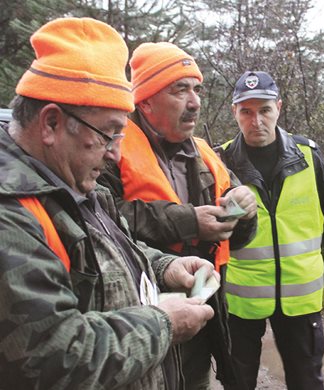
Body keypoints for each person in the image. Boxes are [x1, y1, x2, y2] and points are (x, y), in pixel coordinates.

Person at [0, 17, 215, 389]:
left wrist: (165, 266)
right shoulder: (12, 215)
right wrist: (163, 324)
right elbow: (54, 357)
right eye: (109, 134)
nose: (117, 154)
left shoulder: (75, 184)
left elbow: (112, 251)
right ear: (51, 123)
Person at [98, 42, 257, 389]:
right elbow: (104, 220)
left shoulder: (204, 154)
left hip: (201, 320)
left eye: (196, 89)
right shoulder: (109, 149)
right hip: (137, 326)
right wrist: (189, 221)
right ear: (146, 100)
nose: (195, 101)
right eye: (179, 89)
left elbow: (239, 239)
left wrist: (244, 210)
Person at [216, 70, 324, 390]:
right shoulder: (219, 161)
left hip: (300, 298)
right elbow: (209, 232)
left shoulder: (309, 156)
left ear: (278, 107)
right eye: (246, 111)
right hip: (240, 299)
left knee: (307, 381)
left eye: (264, 110)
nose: (256, 120)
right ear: (234, 113)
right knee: (237, 381)